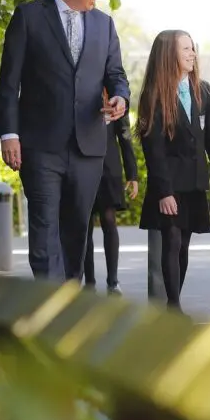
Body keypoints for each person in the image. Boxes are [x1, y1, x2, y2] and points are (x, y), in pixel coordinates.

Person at [0, 0, 130, 281]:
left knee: (75, 232)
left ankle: (68, 300)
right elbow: (9, 83)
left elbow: (117, 75)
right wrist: (9, 135)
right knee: (44, 228)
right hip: (40, 146)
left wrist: (120, 98)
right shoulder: (28, 16)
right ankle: (48, 300)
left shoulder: (104, 24)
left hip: (89, 147)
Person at [136, 30, 210, 312]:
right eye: (186, 49)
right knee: (172, 239)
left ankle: (174, 298)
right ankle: (173, 306)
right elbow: (153, 150)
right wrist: (164, 192)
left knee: (184, 245)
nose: (192, 54)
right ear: (169, 55)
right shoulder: (153, 95)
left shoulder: (203, 91)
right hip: (168, 184)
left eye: (193, 48)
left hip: (194, 182)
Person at [82, 105, 139, 295]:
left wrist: (132, 174)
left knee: (109, 220)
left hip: (109, 168)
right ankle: (89, 281)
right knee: (84, 225)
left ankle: (113, 281)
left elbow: (125, 136)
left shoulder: (116, 98)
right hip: (83, 166)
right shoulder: (81, 92)